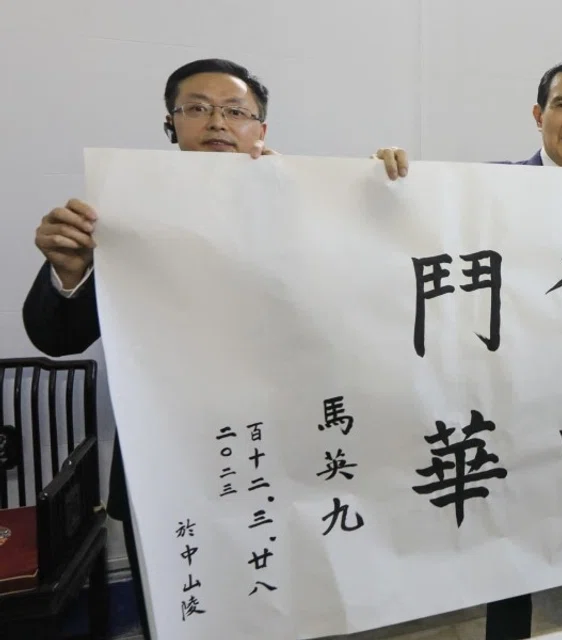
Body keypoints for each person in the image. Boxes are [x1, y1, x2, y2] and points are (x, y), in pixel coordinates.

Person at [21, 57, 396, 637]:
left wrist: (383, 195)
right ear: (171, 124)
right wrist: (67, 272)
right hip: (172, 468)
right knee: (181, 613)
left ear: (261, 129)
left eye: (236, 111)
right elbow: (55, 336)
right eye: (196, 108)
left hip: (290, 459)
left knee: (292, 607)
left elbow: (369, 297)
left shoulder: (309, 203)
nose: (217, 122)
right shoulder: (122, 212)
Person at [376, 59, 562, 640]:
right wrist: (386, 180)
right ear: (538, 115)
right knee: (509, 560)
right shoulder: (486, 188)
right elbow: (412, 225)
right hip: (509, 406)